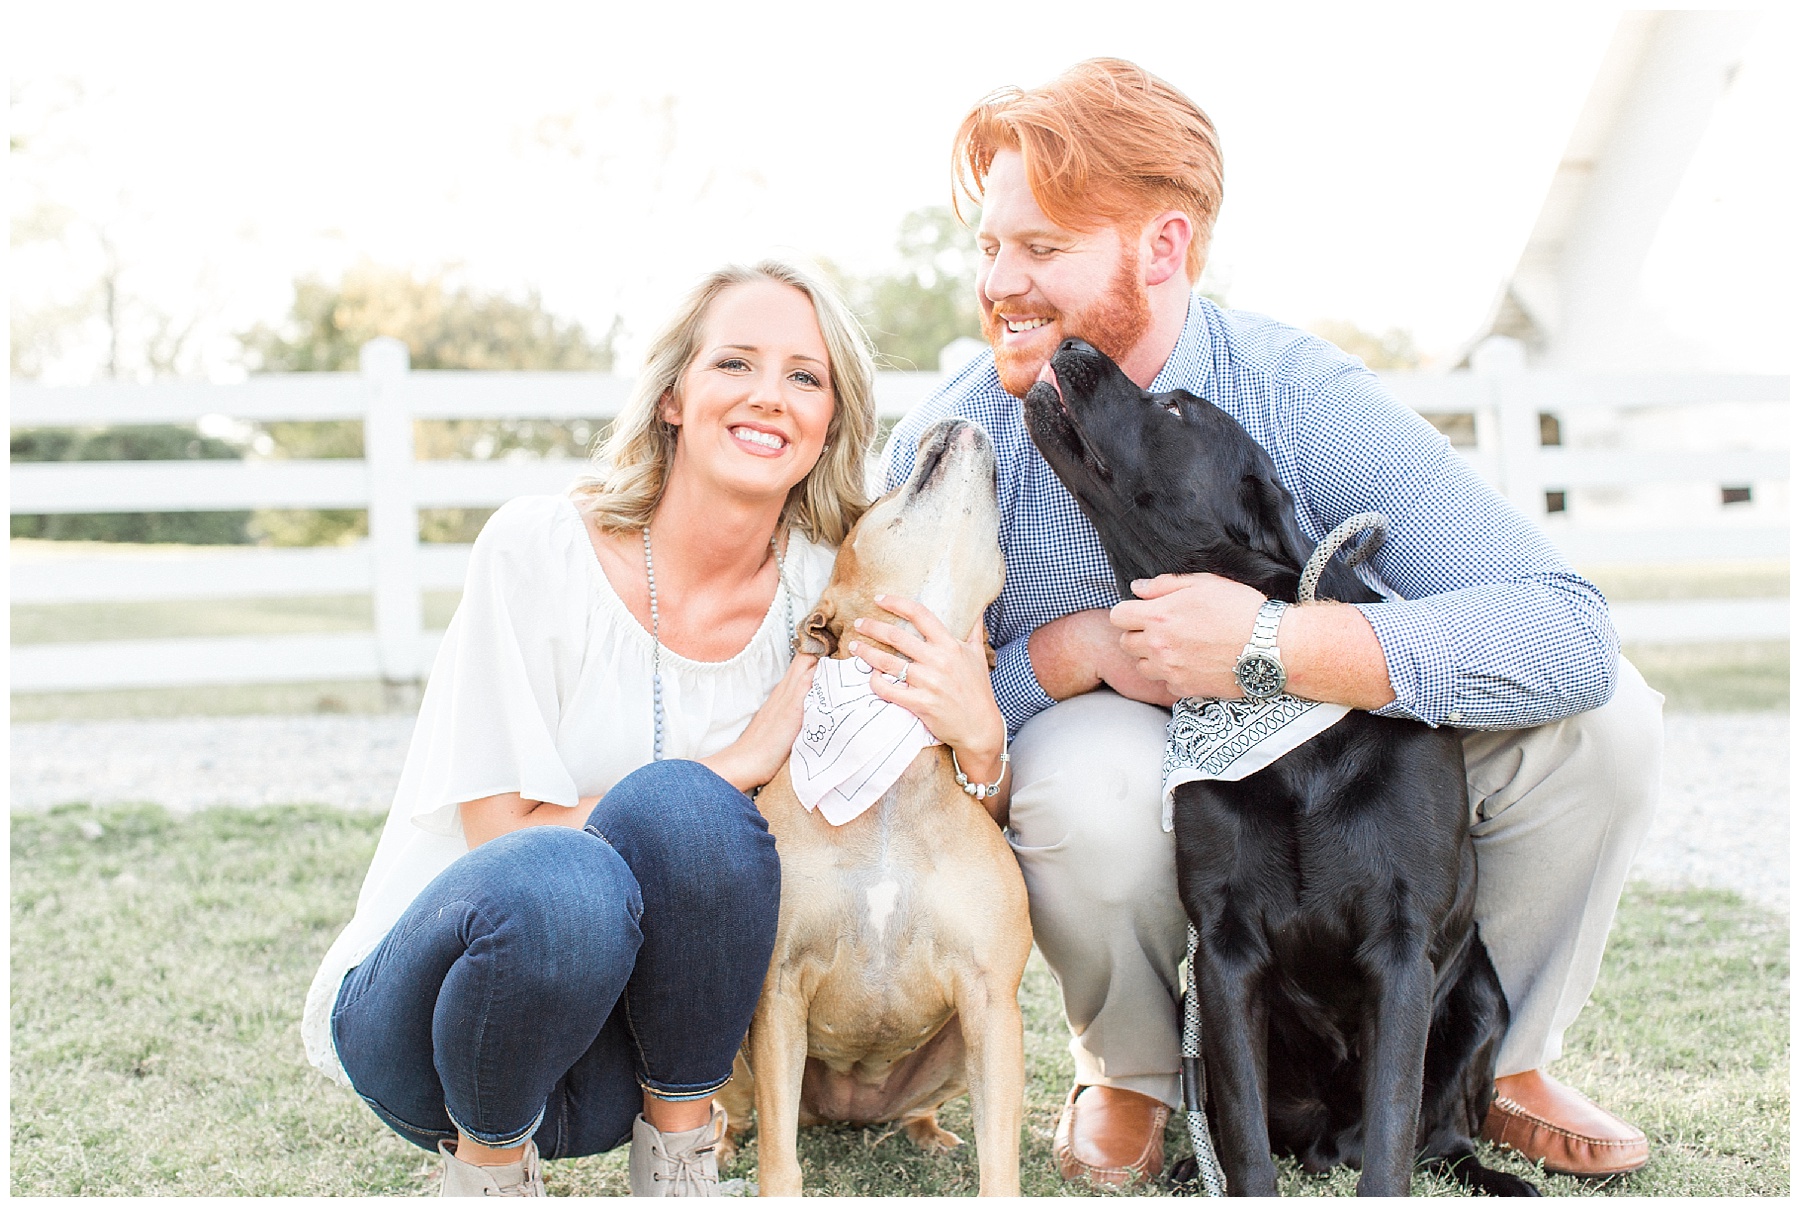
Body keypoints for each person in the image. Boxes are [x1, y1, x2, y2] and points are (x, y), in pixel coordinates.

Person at [883, 58, 1662, 1187]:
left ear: (1165, 247)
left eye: (1042, 249)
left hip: (1339, 732)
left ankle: (1502, 1063)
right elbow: (901, 704)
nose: (1001, 282)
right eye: (990, 247)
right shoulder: (956, 440)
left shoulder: (1297, 392)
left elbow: (1568, 631)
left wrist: (1277, 647)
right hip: (1139, 749)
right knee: (1087, 783)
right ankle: (1137, 1077)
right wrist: (1074, 653)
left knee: (1611, 723)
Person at [301, 261, 889, 1197]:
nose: (770, 397)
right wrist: (739, 761)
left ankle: (681, 1164)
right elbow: (500, 840)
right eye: (735, 363)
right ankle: (489, 1175)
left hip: (643, 1056)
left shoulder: (832, 589)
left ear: (830, 420)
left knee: (688, 820)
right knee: (585, 865)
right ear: (671, 397)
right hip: (443, 1033)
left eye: (805, 376)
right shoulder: (536, 550)